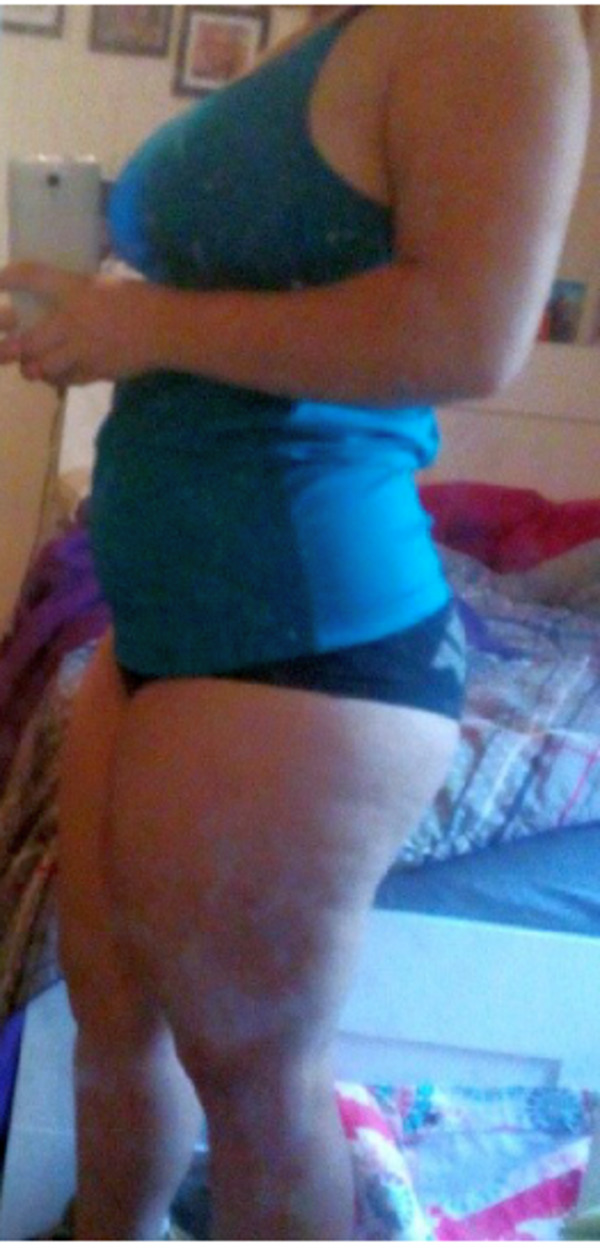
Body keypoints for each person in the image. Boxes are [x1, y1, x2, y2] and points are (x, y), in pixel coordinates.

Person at [0, 5, 590, 1241]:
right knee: (112, 1022)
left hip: (301, 639)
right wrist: (105, 312)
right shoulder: (329, 26)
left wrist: (138, 327)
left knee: (255, 1084)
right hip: (161, 620)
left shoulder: (496, 24)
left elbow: (468, 333)